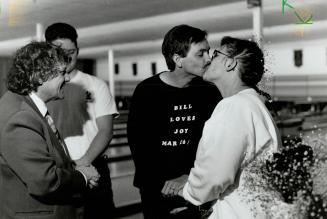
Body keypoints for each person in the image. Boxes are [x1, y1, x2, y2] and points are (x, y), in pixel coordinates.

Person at [162, 36, 282, 218]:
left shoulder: (233, 106)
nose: (209, 59)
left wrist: (187, 191)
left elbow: (215, 177)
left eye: (216, 54)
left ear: (230, 64)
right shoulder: (253, 103)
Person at [127, 24, 221, 219]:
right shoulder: (147, 91)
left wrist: (191, 178)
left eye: (208, 52)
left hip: (197, 186)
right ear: (178, 59)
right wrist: (166, 185)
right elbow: (140, 148)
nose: (208, 58)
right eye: (200, 53)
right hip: (157, 191)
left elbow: (216, 145)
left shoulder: (209, 92)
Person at [0, 42, 100, 219]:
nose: (68, 79)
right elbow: (44, 181)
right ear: (39, 76)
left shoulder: (23, 104)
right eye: (62, 73)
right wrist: (82, 177)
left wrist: (74, 168)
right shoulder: (21, 117)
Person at [45, 22, 119, 219]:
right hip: (56, 171)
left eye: (71, 51)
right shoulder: (40, 88)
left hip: (93, 166)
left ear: (78, 51)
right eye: (60, 51)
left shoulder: (96, 85)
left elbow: (106, 131)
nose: (67, 57)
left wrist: (82, 164)